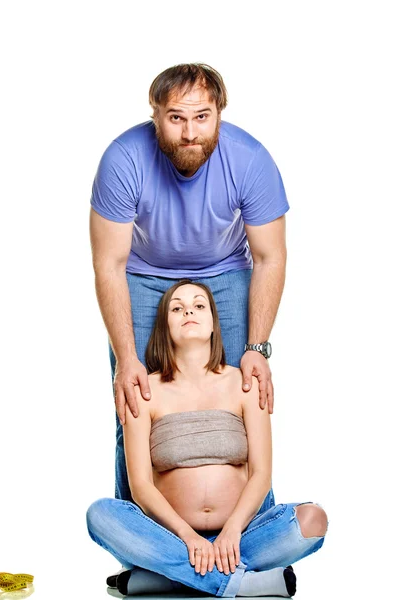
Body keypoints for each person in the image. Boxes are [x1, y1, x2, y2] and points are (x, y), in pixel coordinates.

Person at [89, 63, 289, 503]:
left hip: (225, 271)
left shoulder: (250, 159)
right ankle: (142, 554)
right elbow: (109, 262)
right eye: (176, 117)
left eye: (202, 116)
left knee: (248, 395)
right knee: (134, 402)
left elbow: (270, 256)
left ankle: (252, 542)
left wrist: (257, 348)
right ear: (155, 115)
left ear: (220, 113)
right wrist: (126, 359)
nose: (190, 132)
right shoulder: (124, 159)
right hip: (143, 274)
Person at [86, 281, 328, 597]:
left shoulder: (245, 383)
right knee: (100, 516)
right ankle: (239, 582)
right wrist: (189, 537)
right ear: (164, 326)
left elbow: (260, 474)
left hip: (241, 536)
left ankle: (169, 576)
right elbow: (141, 488)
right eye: (177, 307)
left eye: (200, 305)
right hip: (171, 537)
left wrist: (230, 532)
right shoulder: (144, 392)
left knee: (313, 520)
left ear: (214, 322)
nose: (189, 310)